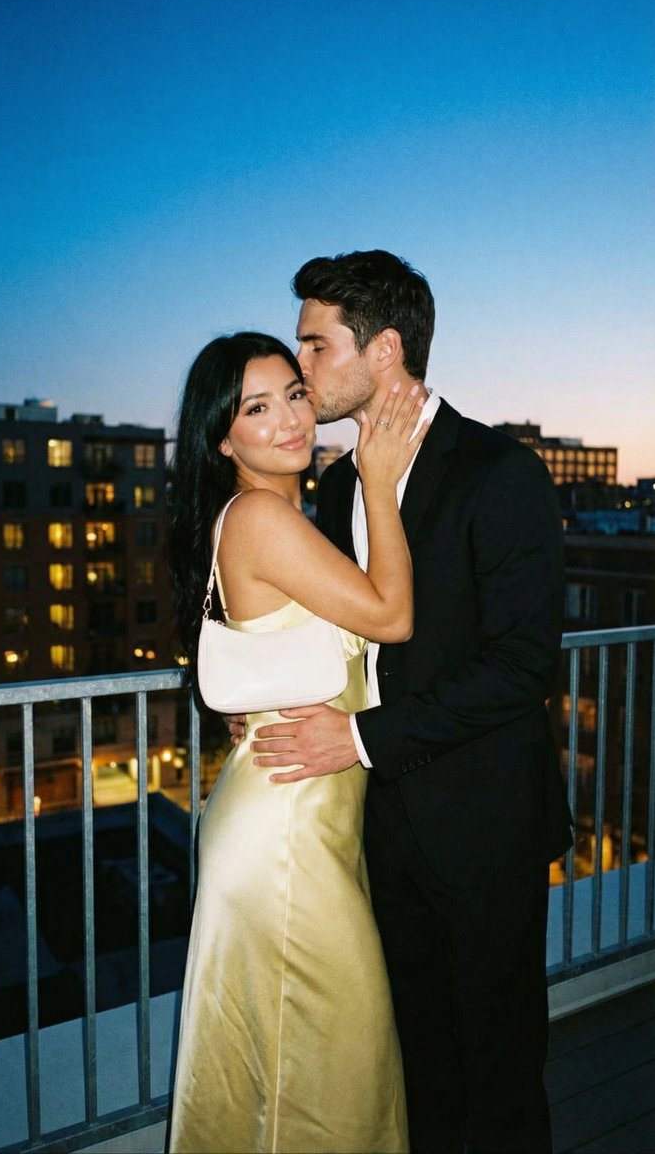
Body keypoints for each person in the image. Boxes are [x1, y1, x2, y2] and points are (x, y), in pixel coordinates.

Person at [248, 252, 574, 1154]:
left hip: (484, 832)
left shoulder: (499, 470)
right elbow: (336, 637)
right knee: (418, 1073)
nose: (301, 365)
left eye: (317, 346)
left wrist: (360, 738)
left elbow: (521, 665)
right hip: (379, 834)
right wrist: (258, 698)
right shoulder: (334, 486)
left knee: (502, 1080)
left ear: (384, 349)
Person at [166, 331, 430, 1154]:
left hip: (302, 813)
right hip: (284, 831)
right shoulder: (258, 517)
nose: (287, 420)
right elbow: (391, 616)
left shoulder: (277, 516)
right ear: (222, 439)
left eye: (292, 394)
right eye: (256, 408)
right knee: (333, 1060)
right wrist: (378, 482)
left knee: (308, 1060)